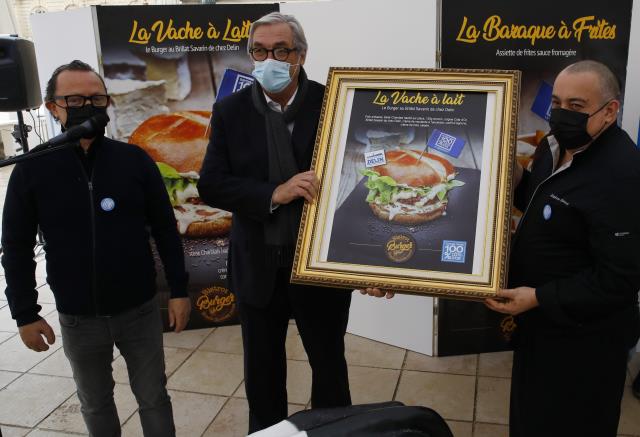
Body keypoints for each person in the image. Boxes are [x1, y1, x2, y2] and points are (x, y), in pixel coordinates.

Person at [2, 60, 191, 437]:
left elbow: (167, 230)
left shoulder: (134, 160)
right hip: (78, 318)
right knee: (95, 401)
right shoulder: (31, 170)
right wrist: (25, 314)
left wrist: (179, 290)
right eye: (73, 98)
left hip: (138, 310)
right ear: (51, 106)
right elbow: (16, 247)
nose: (87, 106)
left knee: (154, 396)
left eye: (96, 98)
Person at [197, 13, 352, 433]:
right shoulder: (231, 109)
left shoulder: (335, 103)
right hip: (258, 263)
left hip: (319, 265)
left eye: (280, 50)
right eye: (259, 51)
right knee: (263, 374)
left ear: (300, 55)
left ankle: (332, 429)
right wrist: (273, 193)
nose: (269, 59)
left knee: (329, 366)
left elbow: (358, 179)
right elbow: (211, 184)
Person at [485, 60, 640, 437]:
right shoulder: (552, 146)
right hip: (539, 327)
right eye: (556, 103)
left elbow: (620, 279)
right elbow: (539, 201)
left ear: (610, 111)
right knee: (531, 416)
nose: (561, 114)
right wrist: (517, 175)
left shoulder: (623, 175)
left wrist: (538, 296)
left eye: (576, 106)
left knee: (573, 422)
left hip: (585, 341)